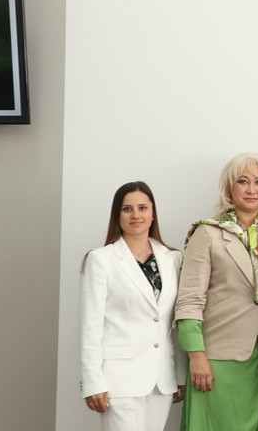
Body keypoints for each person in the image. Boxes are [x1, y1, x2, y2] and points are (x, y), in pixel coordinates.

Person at [175, 152, 258, 431]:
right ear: (229, 188)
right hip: (217, 358)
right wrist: (196, 355)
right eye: (243, 181)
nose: (251, 189)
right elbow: (189, 300)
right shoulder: (207, 233)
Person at [79, 181, 185, 431]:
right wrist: (92, 382)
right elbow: (90, 327)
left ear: (153, 214)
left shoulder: (173, 258)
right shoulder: (100, 259)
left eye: (142, 208)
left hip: (161, 379)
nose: (136, 215)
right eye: (127, 209)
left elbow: (175, 322)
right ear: (117, 215)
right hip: (119, 379)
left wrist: (180, 375)